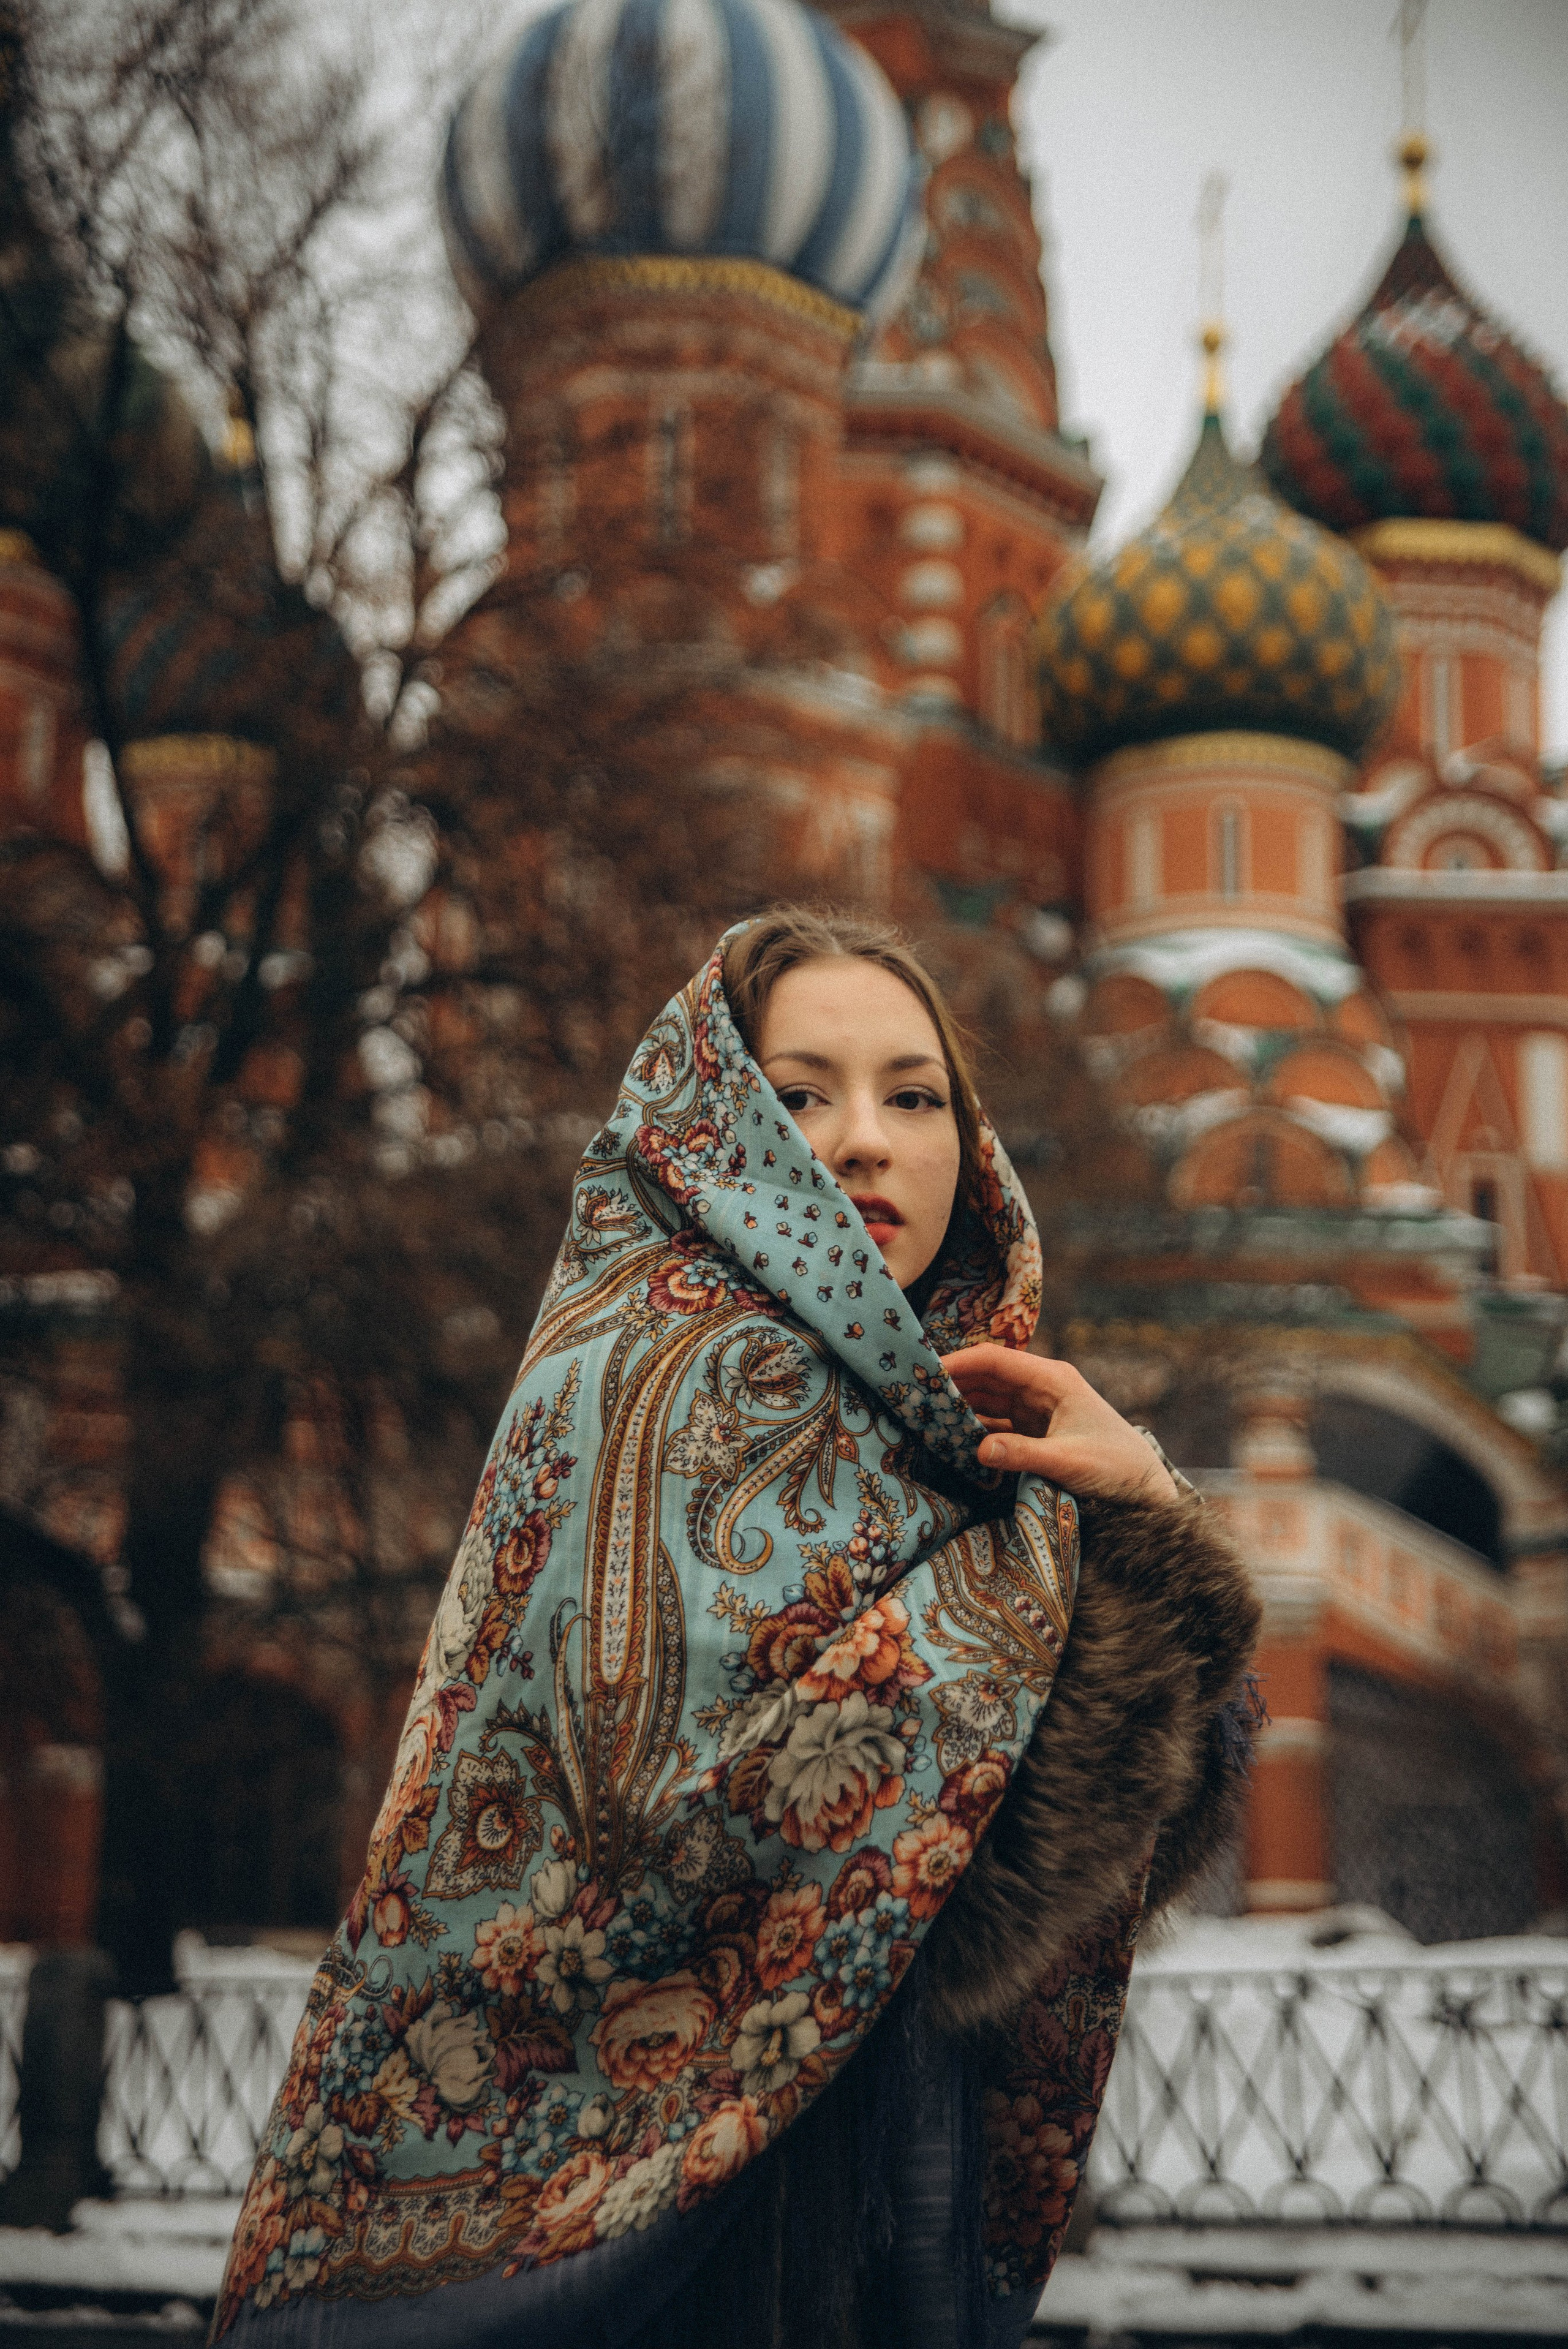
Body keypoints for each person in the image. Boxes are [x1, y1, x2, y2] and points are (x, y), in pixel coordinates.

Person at [214, 908, 1259, 2349]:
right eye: (796, 1095)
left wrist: (1137, 1502)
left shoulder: (963, 1437)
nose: (864, 1140)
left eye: (913, 1095)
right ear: (708, 1131)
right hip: (645, 2246)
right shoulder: (648, 1376)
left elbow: (1101, 1843)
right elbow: (879, 1850)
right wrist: (1127, 1559)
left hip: (882, 2189)